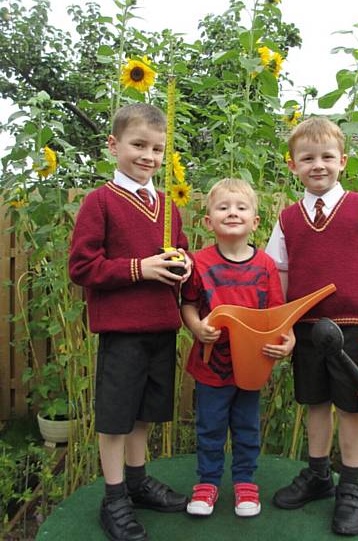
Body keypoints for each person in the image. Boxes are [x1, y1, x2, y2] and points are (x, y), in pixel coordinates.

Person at [265, 116, 358, 536]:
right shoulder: (287, 219)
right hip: (306, 327)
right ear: (293, 166)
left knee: (350, 406)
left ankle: (350, 486)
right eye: (307, 158)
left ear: (342, 161)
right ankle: (319, 475)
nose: (317, 165)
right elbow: (280, 272)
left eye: (326, 157)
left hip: (354, 325)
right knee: (315, 403)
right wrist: (280, 320)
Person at [69, 103, 192, 541]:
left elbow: (178, 250)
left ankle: (138, 483)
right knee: (116, 418)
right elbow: (82, 267)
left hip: (161, 326)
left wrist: (184, 264)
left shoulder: (167, 206)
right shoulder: (99, 202)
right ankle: (115, 496)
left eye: (157, 148)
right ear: (113, 145)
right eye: (139, 145)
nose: (149, 156)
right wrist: (140, 268)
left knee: (143, 414)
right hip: (122, 332)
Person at [181, 178, 295, 518]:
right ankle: (207, 483)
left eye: (241, 207)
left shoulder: (266, 267)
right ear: (208, 221)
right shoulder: (198, 263)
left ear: (255, 221)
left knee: (246, 426)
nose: (232, 213)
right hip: (210, 365)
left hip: (252, 365)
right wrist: (197, 327)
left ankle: (246, 483)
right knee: (210, 426)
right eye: (223, 208)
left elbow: (278, 316)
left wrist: (288, 339)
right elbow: (187, 304)